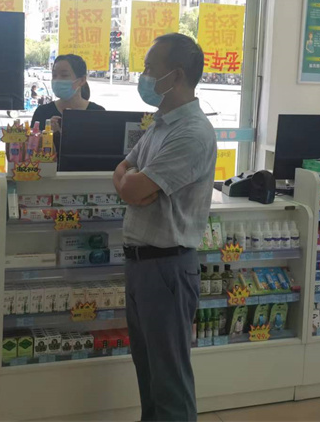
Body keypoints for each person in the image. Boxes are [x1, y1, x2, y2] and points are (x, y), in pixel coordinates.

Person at [112, 33, 217, 421]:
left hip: (167, 269)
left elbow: (131, 185)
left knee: (170, 381)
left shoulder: (192, 132)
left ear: (176, 75)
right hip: (141, 266)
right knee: (149, 374)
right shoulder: (160, 125)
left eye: (149, 68)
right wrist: (133, 183)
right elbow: (123, 170)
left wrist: (133, 184)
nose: (143, 76)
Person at [31, 54, 105, 153]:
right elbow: (31, 150)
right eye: (54, 75)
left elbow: (101, 151)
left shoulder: (98, 112)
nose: (57, 80)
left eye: (64, 75)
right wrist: (47, 134)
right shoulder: (42, 112)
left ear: (82, 80)